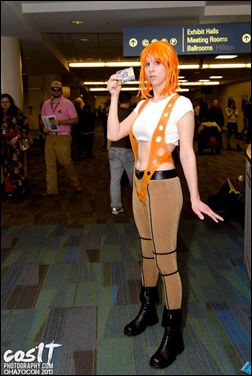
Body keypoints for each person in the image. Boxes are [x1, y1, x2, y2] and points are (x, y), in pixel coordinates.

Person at [106, 40, 224, 370]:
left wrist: (196, 196)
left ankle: (174, 333)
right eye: (147, 64)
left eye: (158, 63)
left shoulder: (181, 104)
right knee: (146, 253)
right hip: (139, 188)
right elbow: (114, 132)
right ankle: (149, 309)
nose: (151, 69)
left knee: (166, 260)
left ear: (170, 67)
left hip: (165, 187)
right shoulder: (142, 105)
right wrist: (115, 97)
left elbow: (186, 152)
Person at [40, 81, 82, 196]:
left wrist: (60, 122)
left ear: (61, 90)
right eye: (54, 89)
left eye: (58, 89)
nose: (56, 91)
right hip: (49, 137)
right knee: (50, 165)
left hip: (63, 136)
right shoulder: (45, 104)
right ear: (51, 90)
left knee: (67, 162)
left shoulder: (67, 103)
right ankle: (51, 190)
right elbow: (43, 119)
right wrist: (44, 127)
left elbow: (75, 120)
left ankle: (75, 182)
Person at [108, 91, 135, 215]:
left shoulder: (113, 113)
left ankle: (115, 207)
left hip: (114, 148)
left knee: (115, 180)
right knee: (134, 180)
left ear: (118, 101)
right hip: (128, 149)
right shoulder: (132, 114)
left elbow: (109, 131)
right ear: (129, 101)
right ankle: (139, 205)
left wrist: (109, 147)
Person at [1, 93, 31, 198]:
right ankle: (9, 189)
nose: (4, 104)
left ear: (10, 102)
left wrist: (17, 137)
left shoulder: (17, 112)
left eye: (6, 102)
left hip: (15, 142)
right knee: (6, 167)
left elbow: (26, 126)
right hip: (3, 143)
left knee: (17, 166)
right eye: (2, 102)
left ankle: (20, 188)